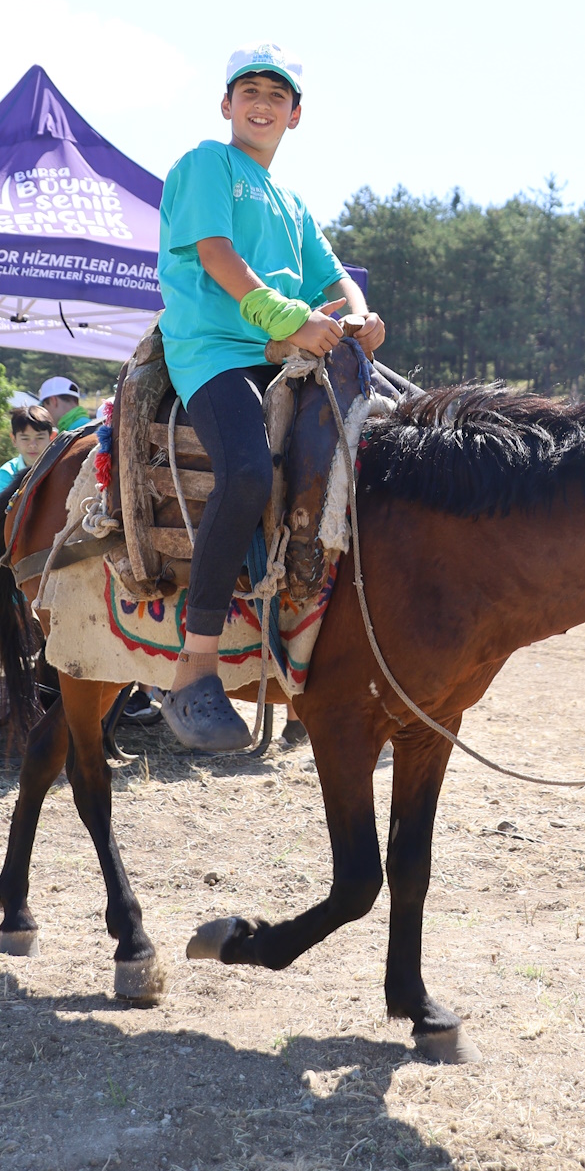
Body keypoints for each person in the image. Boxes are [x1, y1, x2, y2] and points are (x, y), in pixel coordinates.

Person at [151, 43, 384, 750]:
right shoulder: (205, 164)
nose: (261, 103)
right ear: (227, 104)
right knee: (248, 472)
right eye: (248, 90)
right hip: (214, 352)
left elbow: (334, 271)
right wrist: (293, 320)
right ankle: (194, 671)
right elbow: (220, 258)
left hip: (279, 356)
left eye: (276, 95)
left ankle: (326, 640)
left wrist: (359, 309)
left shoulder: (291, 201)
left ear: (296, 114)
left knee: (368, 463)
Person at [0, 403, 55, 494]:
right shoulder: (6, 473)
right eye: (25, 438)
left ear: (52, 438)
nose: (33, 445)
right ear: (14, 439)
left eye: (40, 438)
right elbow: (3, 507)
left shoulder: (60, 469)